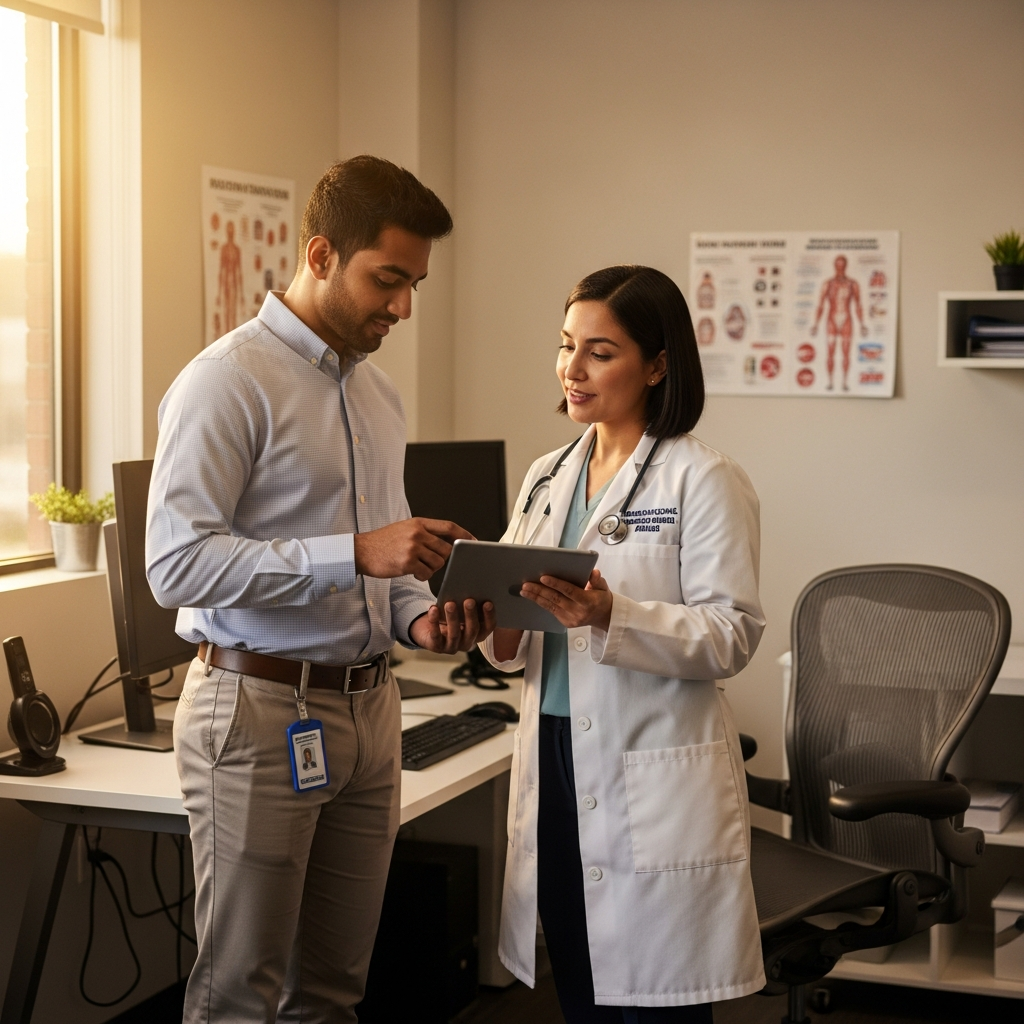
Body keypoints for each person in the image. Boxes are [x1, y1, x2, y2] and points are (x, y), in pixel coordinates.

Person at [146, 155, 495, 1024]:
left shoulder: (380, 396)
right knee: (241, 996)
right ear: (321, 253)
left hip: (371, 711)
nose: (404, 307)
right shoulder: (226, 382)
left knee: (335, 992)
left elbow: (391, 561)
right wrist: (352, 554)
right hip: (259, 709)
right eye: (388, 279)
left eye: (415, 283)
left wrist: (425, 623)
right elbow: (174, 566)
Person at [481, 266, 766, 1022]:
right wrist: (487, 621)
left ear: (657, 364)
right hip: (553, 753)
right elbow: (516, 631)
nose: (571, 370)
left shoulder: (703, 479)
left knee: (651, 999)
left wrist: (614, 617)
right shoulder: (548, 476)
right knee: (578, 975)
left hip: (649, 770)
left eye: (599, 352)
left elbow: (732, 634)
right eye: (567, 346)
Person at [810, 254, 866, 391]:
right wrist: (816, 324)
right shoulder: (828, 284)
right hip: (832, 319)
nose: (840, 268)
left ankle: (845, 382)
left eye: (842, 265)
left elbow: (858, 305)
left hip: (846, 318)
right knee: (830, 352)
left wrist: (862, 324)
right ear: (834, 266)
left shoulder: (853, 284)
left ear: (846, 266)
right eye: (838, 265)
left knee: (846, 353)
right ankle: (830, 382)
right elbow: (821, 305)